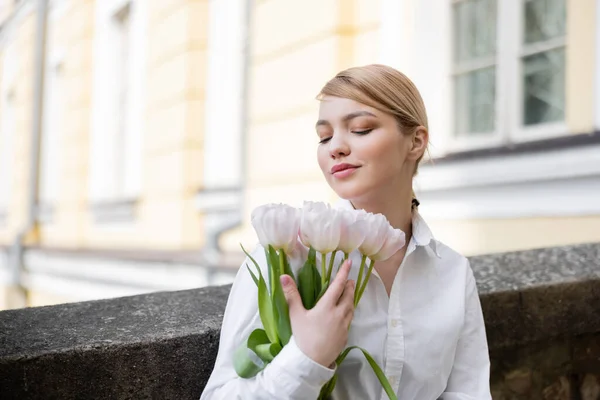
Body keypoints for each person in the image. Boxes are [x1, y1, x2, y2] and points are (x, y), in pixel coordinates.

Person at [200, 64, 492, 399]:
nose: (334, 147)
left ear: (415, 142)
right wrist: (306, 358)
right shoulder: (285, 256)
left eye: (361, 128)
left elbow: (468, 393)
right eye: (324, 137)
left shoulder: (452, 272)